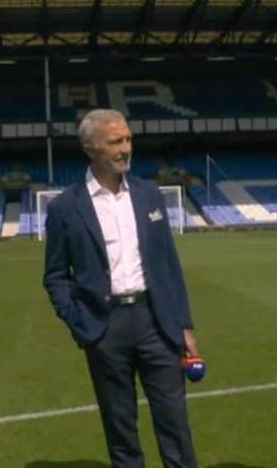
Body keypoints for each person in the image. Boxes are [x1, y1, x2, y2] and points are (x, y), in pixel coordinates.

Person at [43, 109, 200, 467]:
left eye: (128, 139)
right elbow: (55, 275)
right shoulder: (66, 207)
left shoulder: (149, 195)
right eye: (115, 141)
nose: (126, 148)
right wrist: (80, 323)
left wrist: (184, 324)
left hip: (157, 322)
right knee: (121, 428)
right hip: (104, 327)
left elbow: (168, 265)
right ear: (91, 148)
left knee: (174, 422)